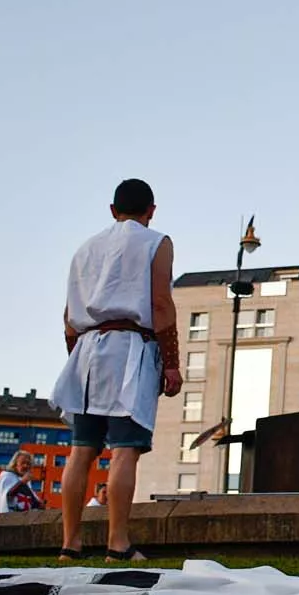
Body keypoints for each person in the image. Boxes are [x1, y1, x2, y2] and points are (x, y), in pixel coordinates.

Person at [52, 178, 180, 562]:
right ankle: (118, 542)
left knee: (81, 449)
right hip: (128, 349)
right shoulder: (156, 242)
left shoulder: (85, 249)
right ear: (151, 210)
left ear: (112, 210)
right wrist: (172, 362)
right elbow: (161, 302)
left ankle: (70, 543)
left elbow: (69, 316)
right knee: (124, 449)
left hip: (86, 350)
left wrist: (76, 358)